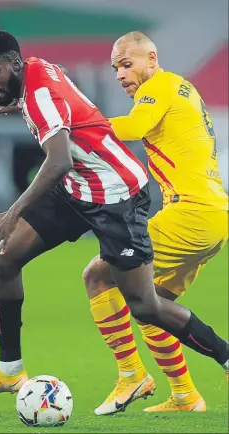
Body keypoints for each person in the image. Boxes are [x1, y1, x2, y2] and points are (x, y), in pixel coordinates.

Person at [0, 30, 229, 404]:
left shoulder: (43, 94)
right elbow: (65, 93)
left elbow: (58, 161)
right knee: (3, 258)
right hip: (78, 185)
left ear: (15, 65)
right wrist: (24, 102)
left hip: (116, 194)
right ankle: (10, 370)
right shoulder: (39, 69)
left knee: (145, 304)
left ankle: (223, 355)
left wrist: (13, 211)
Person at [82, 31, 229, 415]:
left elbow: (132, 128)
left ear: (152, 58)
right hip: (212, 216)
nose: (120, 74)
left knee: (98, 275)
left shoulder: (159, 84)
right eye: (116, 68)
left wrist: (75, 125)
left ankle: (131, 375)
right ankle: (185, 396)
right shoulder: (182, 89)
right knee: (150, 305)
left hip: (190, 212)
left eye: (127, 64)